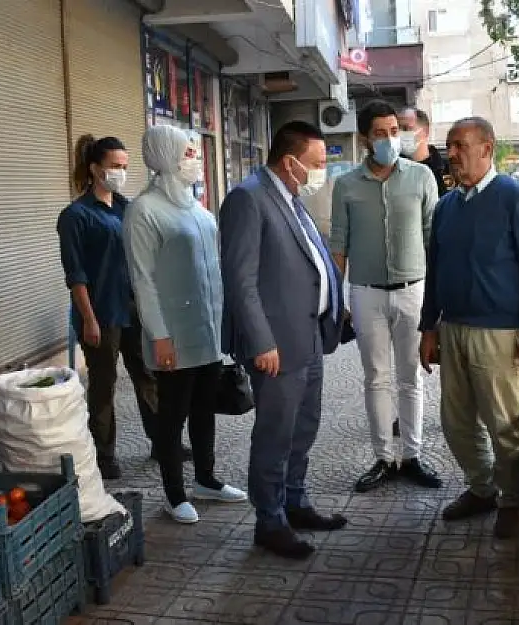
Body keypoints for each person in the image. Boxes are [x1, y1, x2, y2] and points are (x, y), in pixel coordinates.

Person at [218, 121, 348, 559]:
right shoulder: (248, 198)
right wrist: (260, 341)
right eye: (316, 164)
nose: (320, 172)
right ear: (290, 162)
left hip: (308, 336)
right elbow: (240, 281)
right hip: (275, 346)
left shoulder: (291, 197)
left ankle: (296, 500)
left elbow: (308, 260)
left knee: (304, 427)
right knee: (275, 434)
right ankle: (269, 521)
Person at [418, 117, 519, 539]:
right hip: (453, 329)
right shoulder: (447, 207)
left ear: (486, 149)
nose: (452, 153)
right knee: (457, 422)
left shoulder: (516, 199)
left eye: (460, 145)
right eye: (450, 145)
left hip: (501, 332)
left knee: (504, 424)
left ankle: (512, 500)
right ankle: (482, 488)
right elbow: (435, 271)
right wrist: (428, 328)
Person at [126, 125, 247, 524]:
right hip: (173, 336)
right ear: (166, 155)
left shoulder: (197, 208)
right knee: (172, 415)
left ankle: (206, 480)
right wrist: (158, 335)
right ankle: (174, 494)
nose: (196, 160)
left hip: (207, 330)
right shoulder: (144, 211)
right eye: (189, 153)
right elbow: (143, 280)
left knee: (204, 409)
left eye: (195, 153)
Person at [330, 100, 441, 494]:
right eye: (381, 132)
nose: (391, 139)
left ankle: (411, 455)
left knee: (412, 377)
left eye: (395, 131)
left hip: (415, 290)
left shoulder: (422, 177)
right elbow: (339, 242)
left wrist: (437, 302)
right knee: (376, 378)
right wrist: (334, 297)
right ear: (365, 138)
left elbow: (433, 237)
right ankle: (382, 458)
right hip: (366, 294)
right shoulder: (346, 185)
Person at [58, 135, 160, 480]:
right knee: (104, 384)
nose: (121, 172)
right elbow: (76, 274)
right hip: (100, 314)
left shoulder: (126, 207)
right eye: (115, 166)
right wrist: (88, 319)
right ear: (94, 168)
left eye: (125, 167)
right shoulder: (76, 215)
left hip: (132, 308)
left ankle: (161, 442)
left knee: (146, 376)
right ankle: (104, 454)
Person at [398, 107, 449, 197]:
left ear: (425, 131)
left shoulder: (445, 169)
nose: (400, 134)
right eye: (397, 129)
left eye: (406, 129)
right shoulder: (393, 169)